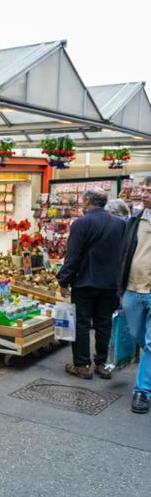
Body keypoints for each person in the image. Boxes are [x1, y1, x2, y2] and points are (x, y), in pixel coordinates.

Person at [57, 189, 125, 380]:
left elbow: (73, 256)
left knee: (82, 323)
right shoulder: (121, 224)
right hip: (111, 283)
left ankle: (82, 365)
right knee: (105, 324)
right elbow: (125, 254)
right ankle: (103, 364)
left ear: (87, 200)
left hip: (85, 283)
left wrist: (64, 281)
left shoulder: (81, 223)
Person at [118, 176, 151, 413]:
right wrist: (119, 287)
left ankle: (142, 391)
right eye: (144, 189)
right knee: (137, 334)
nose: (145, 193)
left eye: (150, 190)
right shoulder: (135, 219)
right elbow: (125, 254)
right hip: (132, 288)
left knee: (150, 342)